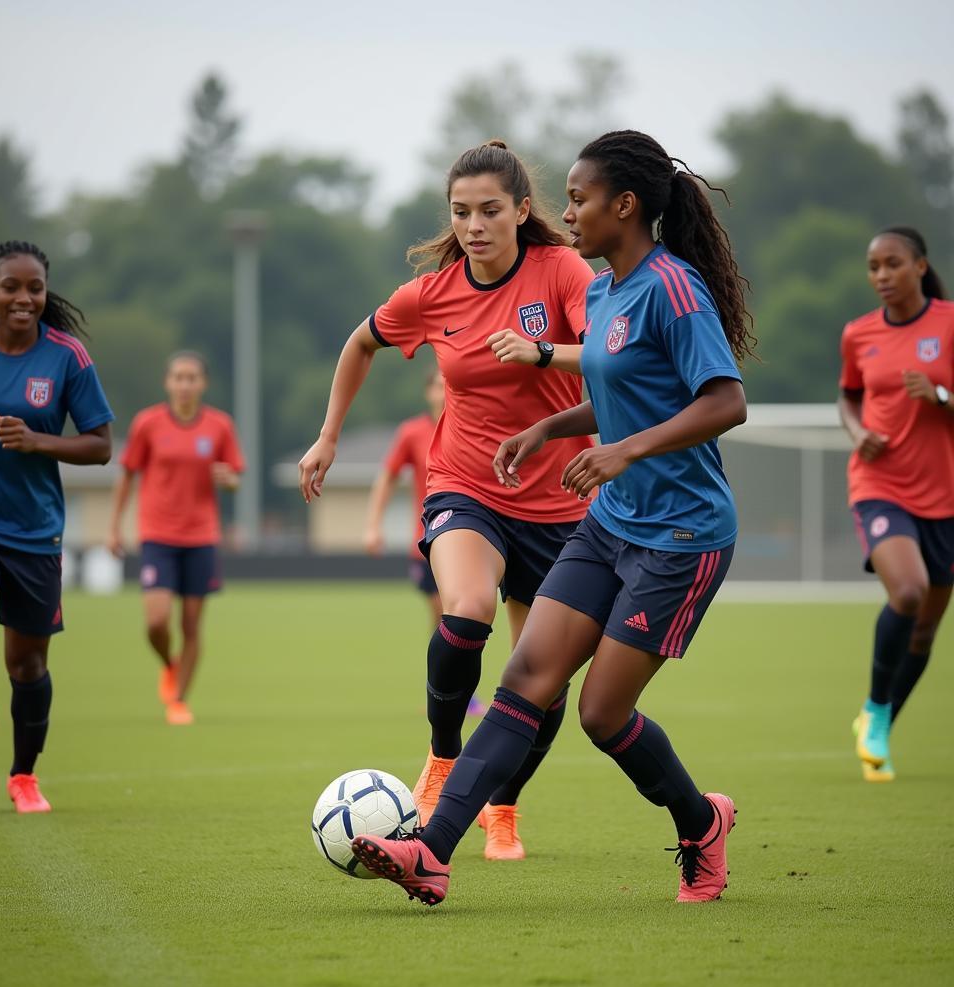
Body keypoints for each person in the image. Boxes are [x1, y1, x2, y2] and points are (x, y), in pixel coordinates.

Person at [350, 129, 755, 905]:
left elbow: (725, 402)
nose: (567, 214)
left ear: (625, 206)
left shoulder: (673, 288)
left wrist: (623, 452)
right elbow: (614, 395)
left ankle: (701, 822)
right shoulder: (603, 292)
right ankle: (429, 854)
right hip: (612, 522)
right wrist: (546, 429)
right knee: (524, 680)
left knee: (604, 715)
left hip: (682, 534)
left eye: (578, 199)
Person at [299, 140, 596, 860]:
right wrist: (329, 434)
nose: (474, 225)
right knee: (467, 607)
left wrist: (544, 353)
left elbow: (611, 355)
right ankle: (439, 758)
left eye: (490, 210)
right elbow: (360, 343)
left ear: (523, 211)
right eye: (461, 212)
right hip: (465, 483)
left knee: (543, 678)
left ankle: (504, 807)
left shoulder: (561, 271)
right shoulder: (432, 294)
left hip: (559, 503)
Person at [0, 240, 114, 813]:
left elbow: (101, 445)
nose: (23, 298)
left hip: (35, 532)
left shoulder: (67, 358)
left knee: (28, 665)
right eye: (11, 286)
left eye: (34, 288)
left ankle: (23, 777)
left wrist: (39, 441)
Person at [840, 227, 953, 783]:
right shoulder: (859, 334)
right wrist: (857, 430)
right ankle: (878, 712)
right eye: (873, 266)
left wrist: (940, 397)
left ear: (919, 267)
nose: (881, 275)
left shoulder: (949, 326)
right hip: (879, 485)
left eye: (892, 264)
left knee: (926, 629)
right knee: (907, 592)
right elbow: (849, 395)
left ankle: (878, 717)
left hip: (945, 496)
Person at [107, 351, 245, 726]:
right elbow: (128, 475)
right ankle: (169, 664)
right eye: (178, 378)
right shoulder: (147, 424)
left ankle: (179, 700)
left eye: (192, 378)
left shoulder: (219, 426)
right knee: (156, 621)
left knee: (191, 626)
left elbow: (235, 476)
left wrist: (228, 480)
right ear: (168, 383)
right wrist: (115, 525)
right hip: (157, 535)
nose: (185, 385)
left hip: (201, 536)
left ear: (203, 384)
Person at [364, 368, 446, 627]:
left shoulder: (471, 429)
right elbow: (387, 477)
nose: (444, 393)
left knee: (462, 615)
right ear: (428, 392)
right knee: (444, 614)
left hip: (468, 534)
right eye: (438, 386)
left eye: (449, 386)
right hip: (426, 539)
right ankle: (446, 665)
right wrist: (373, 526)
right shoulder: (412, 433)